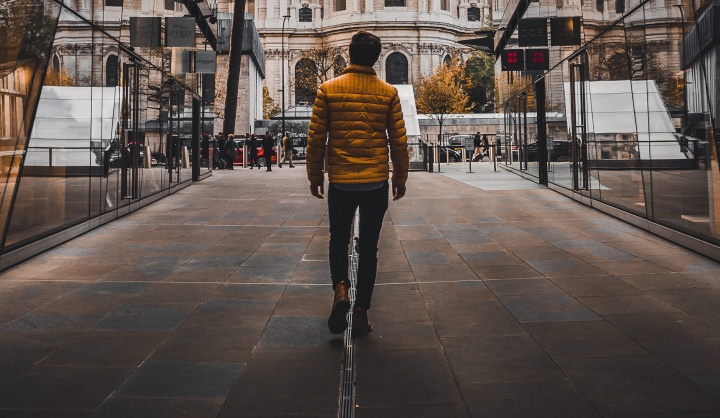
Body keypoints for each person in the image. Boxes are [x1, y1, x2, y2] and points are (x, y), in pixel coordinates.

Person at [306, 30, 409, 337]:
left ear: (349, 54)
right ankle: (362, 311)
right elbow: (399, 142)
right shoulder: (388, 92)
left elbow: (316, 140)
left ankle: (340, 288)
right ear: (377, 57)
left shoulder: (328, 89)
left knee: (338, 240)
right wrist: (399, 178)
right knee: (369, 248)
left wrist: (315, 176)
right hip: (375, 182)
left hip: (341, 181)